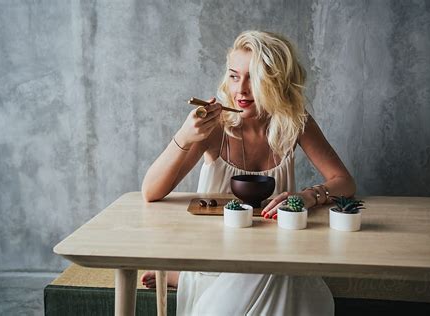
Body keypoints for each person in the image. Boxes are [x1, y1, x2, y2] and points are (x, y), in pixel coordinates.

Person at [140, 30, 356, 315]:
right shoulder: (214, 127)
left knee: (291, 278)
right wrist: (184, 135)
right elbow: (150, 192)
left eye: (254, 77)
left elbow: (344, 182)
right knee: (279, 275)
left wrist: (306, 197)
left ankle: (187, 280)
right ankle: (192, 277)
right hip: (218, 254)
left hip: (273, 250)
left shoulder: (294, 122)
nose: (240, 89)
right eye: (233, 75)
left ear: (276, 82)